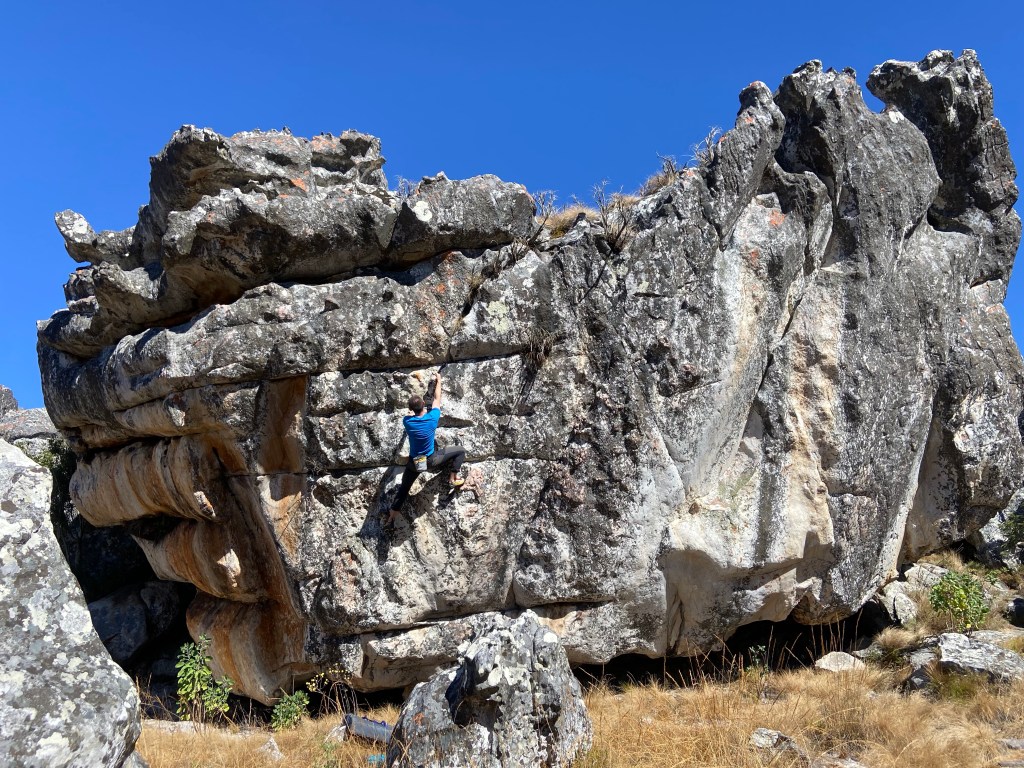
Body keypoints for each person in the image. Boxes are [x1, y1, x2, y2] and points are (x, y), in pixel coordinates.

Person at [386, 372, 465, 527]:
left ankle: (392, 515)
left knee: (404, 488)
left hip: (415, 464)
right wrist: (439, 380)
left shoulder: (407, 422)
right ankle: (453, 477)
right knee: (460, 450)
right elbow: (437, 399)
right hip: (431, 460)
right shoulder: (432, 418)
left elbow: (410, 415)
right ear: (423, 404)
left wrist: (411, 412)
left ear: (411, 409)